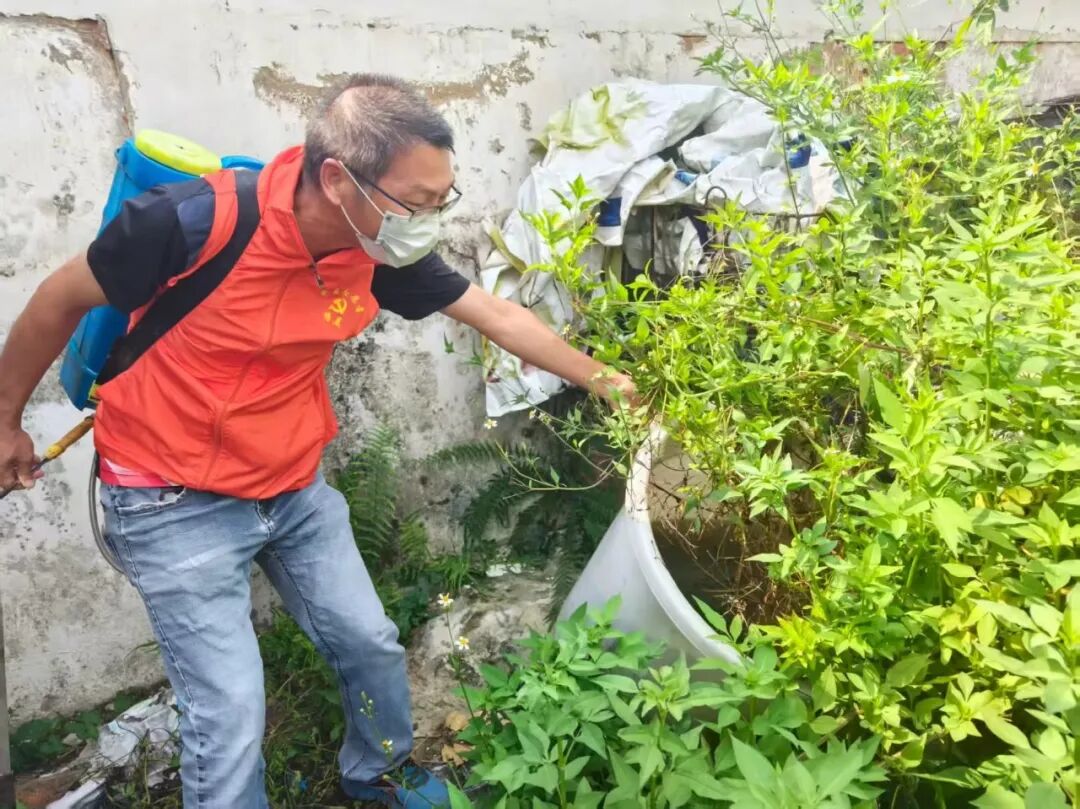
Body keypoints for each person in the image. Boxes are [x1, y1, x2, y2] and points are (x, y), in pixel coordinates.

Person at [0, 74, 634, 809]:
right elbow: (58, 299)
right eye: (416, 202)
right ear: (337, 179)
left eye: (442, 200)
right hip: (170, 497)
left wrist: (611, 382)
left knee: (368, 641)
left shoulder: (378, 250)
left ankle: (379, 771)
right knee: (229, 711)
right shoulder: (192, 222)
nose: (429, 221)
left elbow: (495, 314)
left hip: (292, 486)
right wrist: (5, 421)